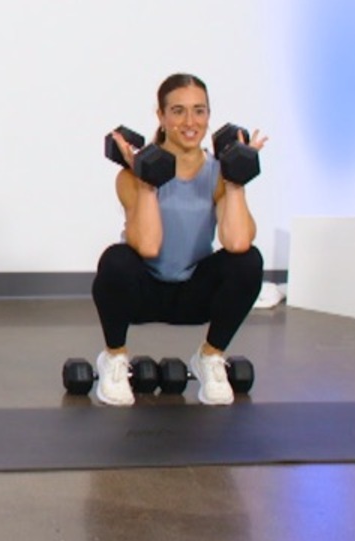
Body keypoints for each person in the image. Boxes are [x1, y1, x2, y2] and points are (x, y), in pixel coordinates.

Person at [92, 73, 265, 406]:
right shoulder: (129, 176)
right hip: (143, 293)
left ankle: (210, 357)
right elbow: (148, 246)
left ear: (209, 116)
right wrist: (146, 181)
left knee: (249, 262)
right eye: (178, 111)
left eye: (199, 111)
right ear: (161, 116)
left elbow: (238, 242)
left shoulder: (218, 172)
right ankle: (114, 357)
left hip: (194, 294)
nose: (190, 122)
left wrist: (236, 180)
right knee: (115, 260)